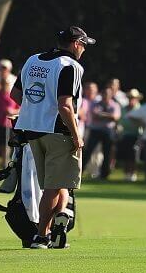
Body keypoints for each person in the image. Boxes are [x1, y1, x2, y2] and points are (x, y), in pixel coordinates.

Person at [12, 26, 94, 249]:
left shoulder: (32, 60)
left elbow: (15, 94)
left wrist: (35, 111)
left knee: (58, 184)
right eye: (84, 45)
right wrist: (77, 136)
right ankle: (41, 235)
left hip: (31, 130)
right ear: (76, 43)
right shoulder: (71, 66)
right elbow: (66, 105)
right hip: (58, 131)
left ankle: (58, 230)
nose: (84, 50)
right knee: (53, 186)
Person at [84, 84, 122, 179]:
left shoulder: (115, 105)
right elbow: (94, 115)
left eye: (108, 94)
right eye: (104, 93)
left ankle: (104, 174)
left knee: (107, 153)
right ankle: (80, 171)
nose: (106, 95)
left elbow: (116, 117)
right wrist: (109, 116)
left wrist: (102, 115)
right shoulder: (95, 103)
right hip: (95, 130)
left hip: (108, 132)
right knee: (88, 151)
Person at [115, 89, 144, 182]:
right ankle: (126, 174)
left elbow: (142, 123)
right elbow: (120, 121)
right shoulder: (123, 109)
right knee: (126, 155)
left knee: (133, 156)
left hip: (136, 136)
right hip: (125, 135)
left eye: (134, 98)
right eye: (130, 98)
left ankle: (133, 174)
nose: (132, 99)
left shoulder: (140, 109)